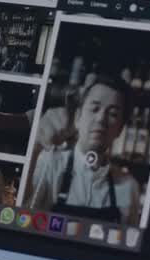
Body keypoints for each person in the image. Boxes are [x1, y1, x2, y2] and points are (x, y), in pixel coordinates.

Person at [27, 74, 142, 226]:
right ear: (78, 118)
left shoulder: (129, 187)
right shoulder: (48, 162)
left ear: (120, 129)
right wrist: (35, 146)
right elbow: (21, 217)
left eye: (113, 113)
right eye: (95, 108)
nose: (101, 118)